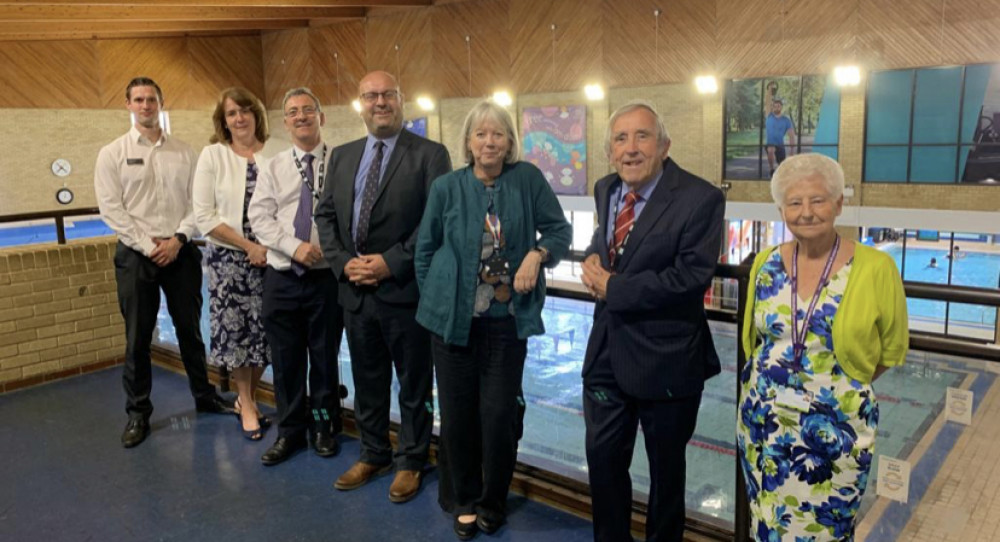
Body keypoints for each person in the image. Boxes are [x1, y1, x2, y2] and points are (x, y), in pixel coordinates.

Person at [414, 101, 572, 540]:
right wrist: (437, 297)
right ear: (468, 142)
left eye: (498, 134)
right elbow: (425, 251)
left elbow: (559, 231)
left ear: (509, 142)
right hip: (453, 324)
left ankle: (492, 499)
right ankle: (463, 498)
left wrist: (536, 256)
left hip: (505, 322)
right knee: (458, 414)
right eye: (481, 134)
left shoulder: (528, 180)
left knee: (500, 414)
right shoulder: (447, 187)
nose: (489, 142)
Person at [737, 153, 909, 541]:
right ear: (782, 209)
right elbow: (755, 343)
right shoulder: (765, 264)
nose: (806, 212)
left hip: (836, 432)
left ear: (839, 204)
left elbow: (892, 348)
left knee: (826, 531)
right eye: (794, 203)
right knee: (767, 526)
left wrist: (840, 387)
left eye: (817, 200)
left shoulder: (876, 268)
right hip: (764, 427)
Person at [580, 100, 726, 542]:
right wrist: (591, 256)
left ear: (664, 144)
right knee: (603, 464)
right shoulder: (606, 188)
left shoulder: (700, 198)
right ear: (610, 151)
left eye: (642, 136)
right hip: (607, 351)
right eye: (620, 139)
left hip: (667, 359)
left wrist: (614, 289)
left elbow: (690, 276)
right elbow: (607, 242)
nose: (631, 148)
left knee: (665, 477)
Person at [314, 70, 452, 503]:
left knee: (413, 383)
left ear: (401, 100)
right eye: (370, 96)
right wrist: (344, 264)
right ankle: (373, 452)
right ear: (360, 104)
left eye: (387, 94)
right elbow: (325, 217)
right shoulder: (342, 155)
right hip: (355, 292)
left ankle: (411, 460)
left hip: (405, 292)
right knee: (366, 380)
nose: (379, 102)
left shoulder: (430, 155)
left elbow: (436, 220)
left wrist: (390, 263)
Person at [94, 77, 233, 449]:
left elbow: (196, 204)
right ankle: (138, 414)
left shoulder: (185, 153)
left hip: (180, 252)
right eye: (138, 100)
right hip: (136, 257)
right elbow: (112, 210)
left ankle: (204, 397)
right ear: (128, 105)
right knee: (137, 337)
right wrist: (148, 245)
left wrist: (178, 240)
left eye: (151, 99)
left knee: (190, 330)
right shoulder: (112, 154)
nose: (145, 106)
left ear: (160, 103)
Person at [248, 87, 345, 465]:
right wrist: (294, 246)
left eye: (308, 109)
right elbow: (260, 219)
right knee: (287, 362)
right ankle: (290, 432)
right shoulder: (272, 166)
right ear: (285, 122)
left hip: (325, 279)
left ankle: (323, 426)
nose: (301, 116)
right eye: (293, 112)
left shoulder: (340, 161)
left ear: (320, 117)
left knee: (323, 359)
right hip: (284, 277)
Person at [193, 87, 282, 440]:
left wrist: (270, 246)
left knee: (269, 332)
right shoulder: (212, 155)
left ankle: (249, 395)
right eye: (232, 113)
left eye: (245, 110)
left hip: (274, 256)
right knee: (239, 335)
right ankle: (246, 401)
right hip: (231, 259)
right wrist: (248, 246)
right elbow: (204, 215)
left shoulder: (277, 153)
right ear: (223, 120)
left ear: (257, 115)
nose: (239, 118)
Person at [766, 99, 797, 177]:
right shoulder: (769, 116)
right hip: (770, 143)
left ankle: (781, 174)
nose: (776, 108)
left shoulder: (786, 120)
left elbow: (791, 135)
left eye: (778, 106)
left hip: (780, 145)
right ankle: (771, 169)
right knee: (771, 149)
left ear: (781, 107)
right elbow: (767, 101)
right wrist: (769, 88)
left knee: (782, 165)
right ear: (772, 108)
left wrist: (792, 150)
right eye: (775, 106)